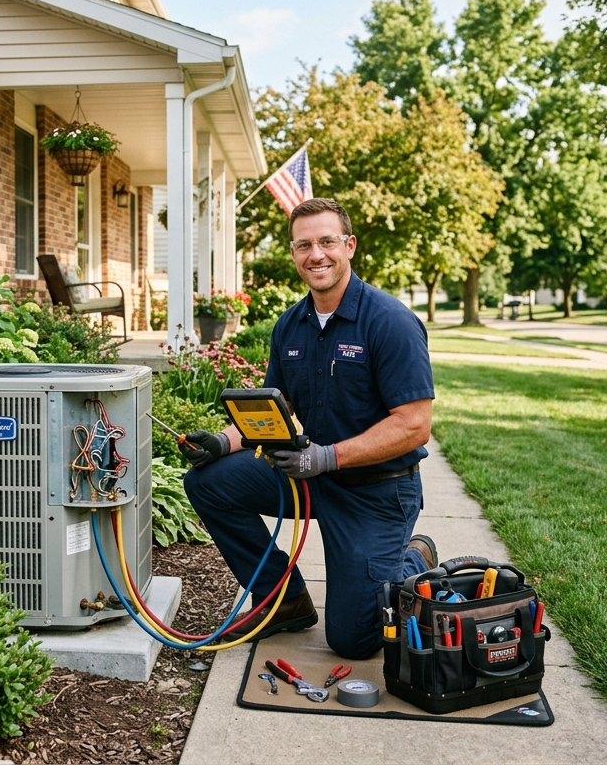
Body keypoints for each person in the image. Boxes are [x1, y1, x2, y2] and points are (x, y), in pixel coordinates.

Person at [182, 197, 437, 660]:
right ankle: (283, 601)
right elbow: (274, 412)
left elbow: (414, 427)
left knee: (354, 643)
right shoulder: (291, 326)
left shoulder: (390, 322)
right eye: (303, 245)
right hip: (311, 479)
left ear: (350, 246)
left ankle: (412, 558)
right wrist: (222, 441)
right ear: (294, 253)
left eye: (326, 242)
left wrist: (327, 456)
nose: (315, 254)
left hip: (377, 493)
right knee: (209, 481)